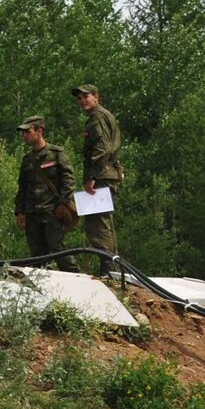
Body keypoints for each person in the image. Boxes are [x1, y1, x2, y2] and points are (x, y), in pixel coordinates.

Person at [13, 116, 78, 271]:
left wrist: (62, 204)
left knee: (58, 250)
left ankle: (76, 279)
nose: (24, 136)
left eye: (27, 132)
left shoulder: (56, 154)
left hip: (51, 212)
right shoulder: (27, 160)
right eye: (23, 133)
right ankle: (41, 288)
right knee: (37, 256)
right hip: (32, 213)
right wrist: (20, 212)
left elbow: (69, 182)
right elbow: (22, 187)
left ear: (39, 131)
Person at [72, 83, 123, 273]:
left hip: (101, 176)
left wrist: (92, 176)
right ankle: (112, 266)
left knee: (97, 223)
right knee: (104, 222)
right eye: (79, 98)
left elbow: (103, 148)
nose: (82, 101)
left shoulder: (97, 118)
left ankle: (107, 267)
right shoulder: (103, 115)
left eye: (86, 96)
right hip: (107, 174)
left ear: (96, 97)